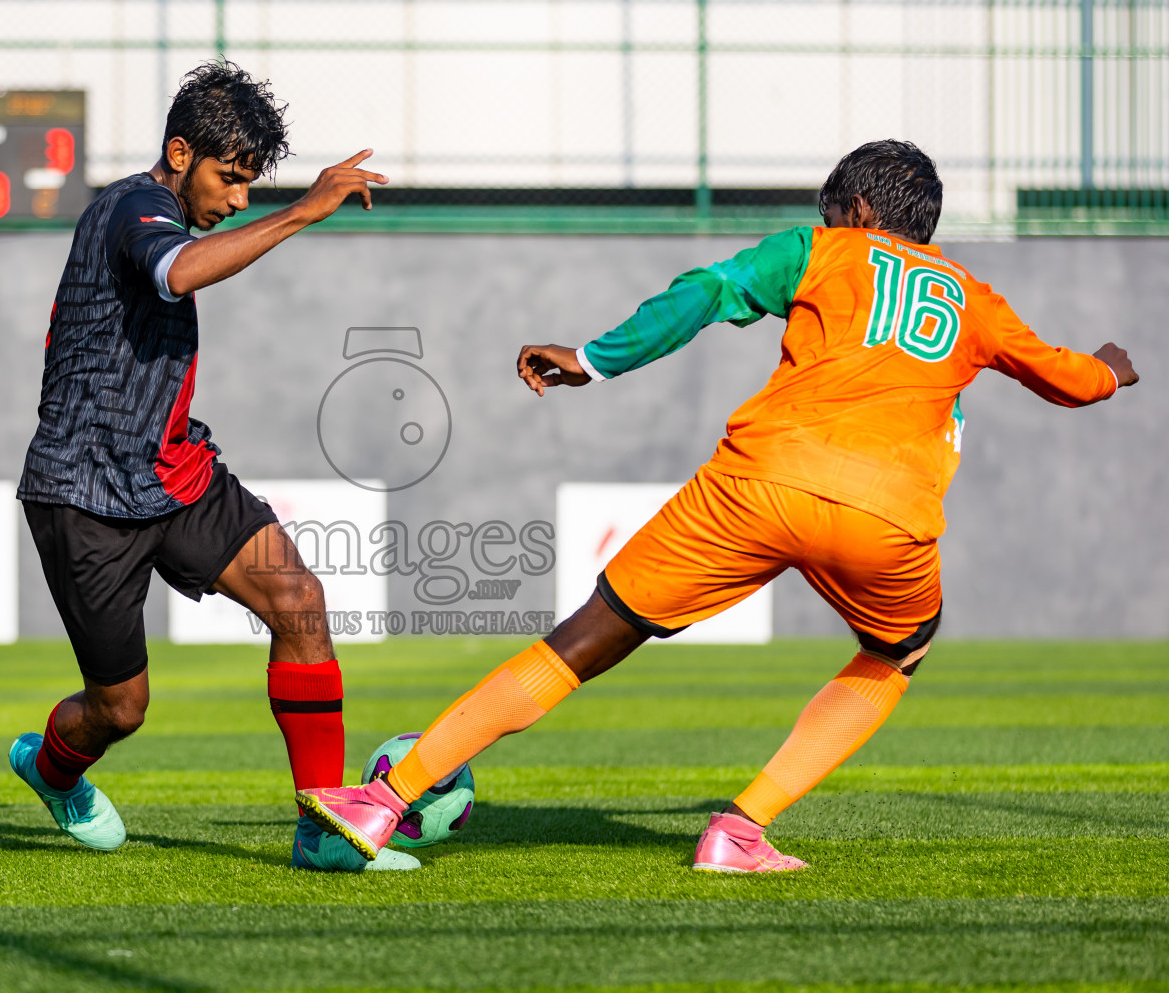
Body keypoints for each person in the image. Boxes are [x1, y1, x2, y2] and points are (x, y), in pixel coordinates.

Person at [296, 139, 1139, 872]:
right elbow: (1075, 382)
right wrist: (1112, 364)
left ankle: (384, 798)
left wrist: (591, 359)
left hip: (755, 482)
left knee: (588, 636)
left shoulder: (819, 250)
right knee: (896, 656)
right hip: (887, 516)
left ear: (853, 207)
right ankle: (741, 829)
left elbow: (705, 292)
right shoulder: (976, 302)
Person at [9, 61, 416, 872]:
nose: (236, 200)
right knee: (120, 710)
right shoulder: (134, 206)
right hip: (86, 492)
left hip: (177, 475)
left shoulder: (169, 208)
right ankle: (52, 767)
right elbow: (177, 270)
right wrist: (306, 210)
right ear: (179, 150)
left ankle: (325, 832)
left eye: (249, 185)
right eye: (229, 180)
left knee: (299, 599)